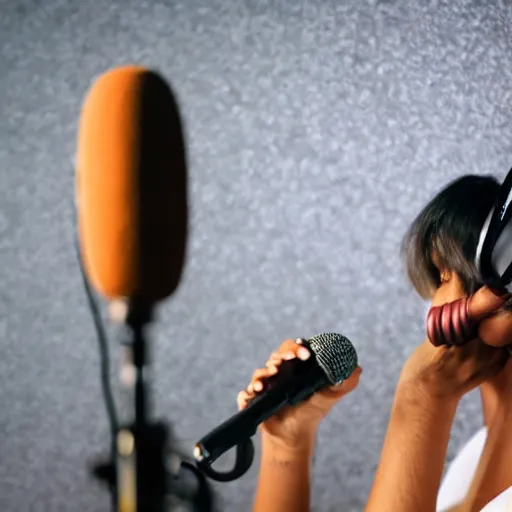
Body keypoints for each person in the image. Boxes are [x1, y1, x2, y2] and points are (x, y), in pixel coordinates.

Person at [237, 175, 512, 512]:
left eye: (442, 277)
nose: (432, 306)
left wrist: (422, 394)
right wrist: (287, 446)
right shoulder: (472, 460)